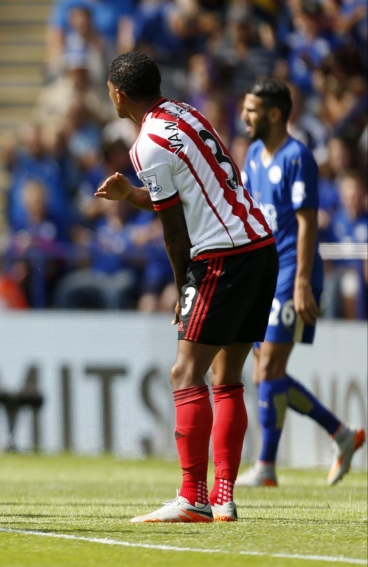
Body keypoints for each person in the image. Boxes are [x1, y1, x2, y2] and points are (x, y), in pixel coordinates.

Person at [95, 52, 276, 524]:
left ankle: (192, 496)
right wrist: (130, 195)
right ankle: (223, 498)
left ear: (118, 93)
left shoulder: (145, 144)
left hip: (222, 257)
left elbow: (174, 231)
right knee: (227, 376)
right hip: (259, 245)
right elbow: (197, 190)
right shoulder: (187, 113)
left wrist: (183, 290)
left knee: (184, 373)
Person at [234, 80, 365, 488]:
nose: (244, 116)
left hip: (293, 271)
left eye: (251, 110)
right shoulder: (254, 155)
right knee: (263, 372)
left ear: (275, 114)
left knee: (270, 364)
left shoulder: (298, 157)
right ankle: (342, 434)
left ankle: (266, 466)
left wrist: (303, 281)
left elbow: (307, 221)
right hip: (263, 272)